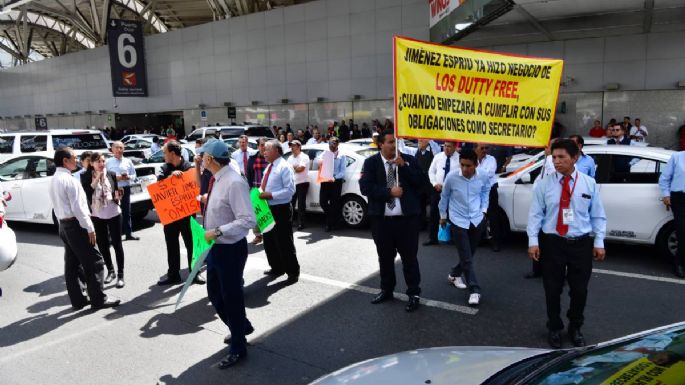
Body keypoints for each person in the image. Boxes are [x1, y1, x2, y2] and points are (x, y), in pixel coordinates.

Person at [527, 139, 606, 349]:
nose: (556, 161)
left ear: (575, 158)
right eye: (554, 157)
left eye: (562, 157)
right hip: (552, 243)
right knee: (552, 289)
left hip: (580, 244)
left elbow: (598, 215)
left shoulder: (589, 184)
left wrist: (599, 242)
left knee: (579, 290)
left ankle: (575, 326)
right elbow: (535, 215)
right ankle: (554, 326)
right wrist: (533, 241)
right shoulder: (544, 184)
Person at [197, 139, 256, 369]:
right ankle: (240, 326)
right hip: (216, 246)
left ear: (211, 159)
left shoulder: (233, 182)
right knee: (214, 293)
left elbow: (247, 220)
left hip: (230, 248)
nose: (200, 159)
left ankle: (238, 347)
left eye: (203, 156)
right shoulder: (217, 179)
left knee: (231, 298)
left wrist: (219, 231)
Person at [359, 129, 425, 312]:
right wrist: (389, 192)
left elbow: (421, 184)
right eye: (389, 142)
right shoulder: (371, 163)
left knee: (409, 259)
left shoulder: (408, 160)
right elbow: (365, 188)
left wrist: (404, 166)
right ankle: (386, 289)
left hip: (406, 222)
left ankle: (414, 293)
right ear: (381, 144)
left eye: (395, 143)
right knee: (385, 258)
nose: (393, 146)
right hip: (382, 221)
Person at [49, 147, 120, 310]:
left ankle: (79, 299)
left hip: (64, 225)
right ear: (65, 161)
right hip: (75, 224)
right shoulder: (69, 180)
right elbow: (78, 208)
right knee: (95, 261)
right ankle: (98, 300)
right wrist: (90, 228)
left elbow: (57, 206)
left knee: (72, 264)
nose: (78, 160)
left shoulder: (54, 179)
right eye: (74, 157)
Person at [439, 149, 491, 306]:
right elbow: (445, 196)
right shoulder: (452, 177)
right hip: (457, 220)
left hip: (476, 219)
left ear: (476, 164)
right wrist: (442, 216)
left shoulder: (483, 175)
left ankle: (454, 274)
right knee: (467, 257)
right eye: (462, 165)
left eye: (468, 165)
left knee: (469, 254)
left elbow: (485, 191)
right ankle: (474, 290)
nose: (465, 169)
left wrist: (483, 210)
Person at [156, 141, 205, 286]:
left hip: (187, 214)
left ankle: (195, 273)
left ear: (172, 153)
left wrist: (184, 176)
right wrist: (170, 177)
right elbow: (159, 186)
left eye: (165, 152)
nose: (163, 155)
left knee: (191, 244)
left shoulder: (189, 167)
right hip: (170, 216)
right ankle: (173, 274)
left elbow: (197, 184)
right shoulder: (164, 168)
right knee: (171, 245)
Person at [81, 152, 126, 288]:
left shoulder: (111, 174)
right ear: (92, 163)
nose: (101, 164)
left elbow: (115, 191)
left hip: (113, 212)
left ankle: (120, 274)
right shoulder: (85, 176)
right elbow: (87, 192)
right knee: (103, 245)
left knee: (117, 244)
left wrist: (118, 195)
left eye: (103, 161)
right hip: (97, 214)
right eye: (98, 161)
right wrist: (98, 178)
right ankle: (110, 271)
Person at [260, 140, 299, 284]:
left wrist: (270, 195)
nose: (264, 152)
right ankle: (277, 267)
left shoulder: (284, 166)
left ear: (276, 150)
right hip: (267, 208)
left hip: (280, 208)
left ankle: (292, 272)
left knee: (284, 241)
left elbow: (290, 191)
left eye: (267, 149)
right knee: (269, 241)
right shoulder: (269, 166)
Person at [425, 141, 460, 246]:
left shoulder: (459, 159)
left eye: (449, 146)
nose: (446, 148)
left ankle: (455, 239)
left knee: (453, 215)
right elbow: (431, 171)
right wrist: (435, 183)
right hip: (437, 189)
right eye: (445, 146)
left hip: (452, 191)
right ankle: (433, 238)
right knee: (434, 213)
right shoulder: (438, 157)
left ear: (455, 147)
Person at [658, 150, 685, 278]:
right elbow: (664, 178)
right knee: (682, 232)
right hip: (680, 198)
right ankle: (679, 264)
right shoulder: (677, 157)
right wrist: (666, 194)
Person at [106, 141, 139, 241]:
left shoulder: (128, 161)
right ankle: (114, 236)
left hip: (125, 188)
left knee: (126, 212)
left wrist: (128, 177)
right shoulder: (108, 162)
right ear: (112, 149)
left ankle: (129, 233)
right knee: (113, 213)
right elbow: (105, 176)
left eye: (121, 148)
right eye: (117, 147)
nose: (119, 150)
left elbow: (134, 175)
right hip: (113, 189)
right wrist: (117, 178)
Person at [475, 143, 502, 252]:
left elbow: (488, 174)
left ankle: (496, 242)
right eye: (482, 148)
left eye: (486, 148)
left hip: (489, 190)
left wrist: (474, 173)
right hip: (476, 191)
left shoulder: (491, 159)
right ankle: (479, 239)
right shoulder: (472, 159)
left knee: (493, 216)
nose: (485, 150)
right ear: (475, 148)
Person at [319, 137, 347, 232]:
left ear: (337, 144)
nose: (331, 145)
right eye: (330, 143)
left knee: (334, 203)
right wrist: (320, 162)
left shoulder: (342, 155)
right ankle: (336, 218)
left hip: (335, 182)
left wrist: (334, 178)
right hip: (325, 180)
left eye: (334, 143)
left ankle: (329, 224)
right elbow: (317, 160)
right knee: (322, 202)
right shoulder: (325, 153)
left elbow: (343, 172)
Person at [246, 137, 268, 244]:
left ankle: (268, 235)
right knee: (256, 213)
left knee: (268, 214)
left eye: (265, 145)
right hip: (255, 190)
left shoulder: (271, 158)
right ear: (258, 146)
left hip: (267, 191)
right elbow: (248, 174)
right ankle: (258, 235)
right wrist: (250, 189)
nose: (263, 147)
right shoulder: (252, 159)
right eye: (261, 145)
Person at [287, 140, 310, 230]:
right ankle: (290, 221)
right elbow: (287, 170)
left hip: (302, 183)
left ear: (299, 147)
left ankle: (301, 223)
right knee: (291, 203)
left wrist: (293, 168)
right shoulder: (289, 158)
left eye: (293, 146)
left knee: (301, 204)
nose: (291, 147)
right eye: (291, 146)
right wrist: (295, 167)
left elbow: (301, 168)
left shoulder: (304, 156)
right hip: (292, 183)